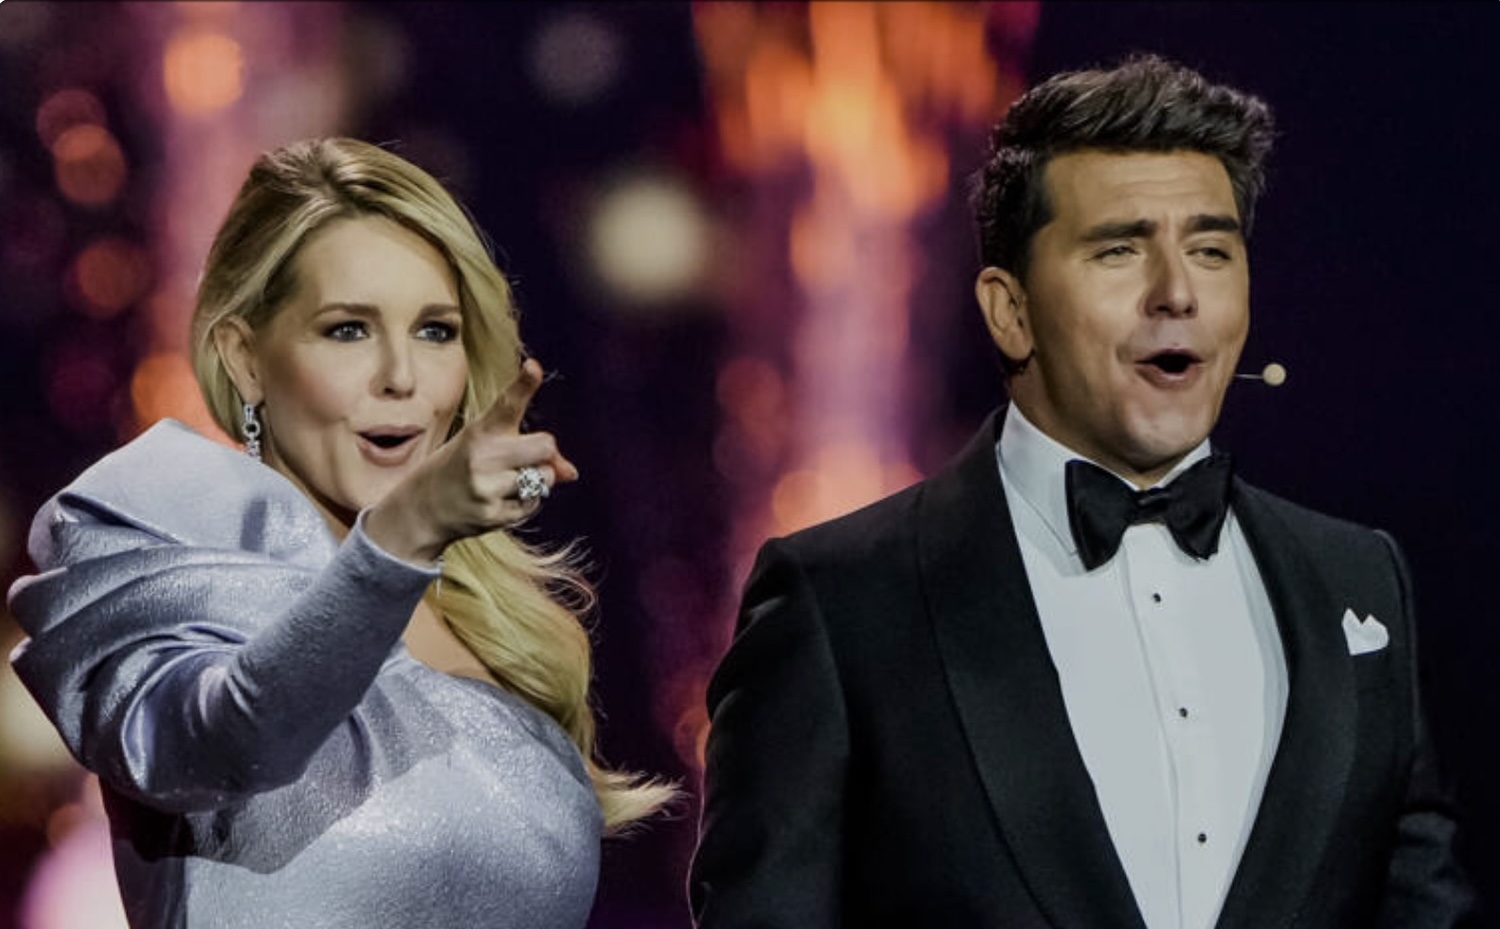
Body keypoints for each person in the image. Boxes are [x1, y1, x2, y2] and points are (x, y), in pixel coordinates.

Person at [689, 55, 1477, 927]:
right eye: (1119, 250)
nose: (1176, 293)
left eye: (1211, 250)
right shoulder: (840, 603)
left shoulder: (1360, 581)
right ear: (1010, 310)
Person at [8, 137, 674, 929]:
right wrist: (398, 544)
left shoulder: (499, 625)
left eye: (435, 331)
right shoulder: (161, 522)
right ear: (245, 358)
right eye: (348, 330)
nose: (400, 375)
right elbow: (216, 743)